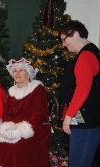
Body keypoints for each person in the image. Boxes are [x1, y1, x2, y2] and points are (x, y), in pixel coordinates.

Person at [0, 58, 51, 167]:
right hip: (14, 128)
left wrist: (21, 131)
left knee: (15, 147)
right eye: (15, 71)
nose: (17, 73)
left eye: (21, 70)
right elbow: (7, 114)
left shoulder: (37, 89)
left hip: (35, 129)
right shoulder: (12, 91)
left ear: (28, 73)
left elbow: (38, 115)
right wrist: (7, 128)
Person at [59, 20, 100, 167]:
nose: (63, 44)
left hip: (86, 123)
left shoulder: (86, 55)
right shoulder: (90, 52)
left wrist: (68, 116)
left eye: (64, 39)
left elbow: (83, 88)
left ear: (75, 34)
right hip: (86, 121)